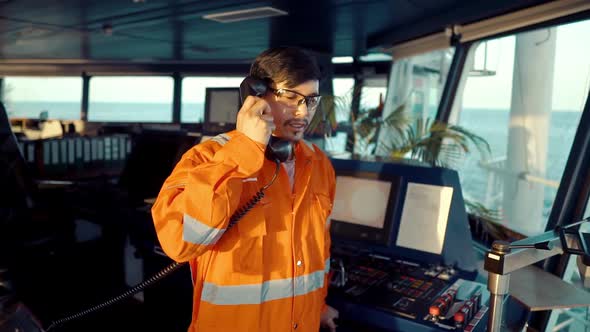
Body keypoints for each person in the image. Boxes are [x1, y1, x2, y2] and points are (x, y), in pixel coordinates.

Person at [151, 46, 339, 332]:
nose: (303, 111)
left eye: (311, 100)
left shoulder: (319, 163)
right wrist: (242, 155)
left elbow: (319, 252)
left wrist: (320, 306)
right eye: (290, 97)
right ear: (255, 95)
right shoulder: (208, 157)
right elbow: (180, 243)